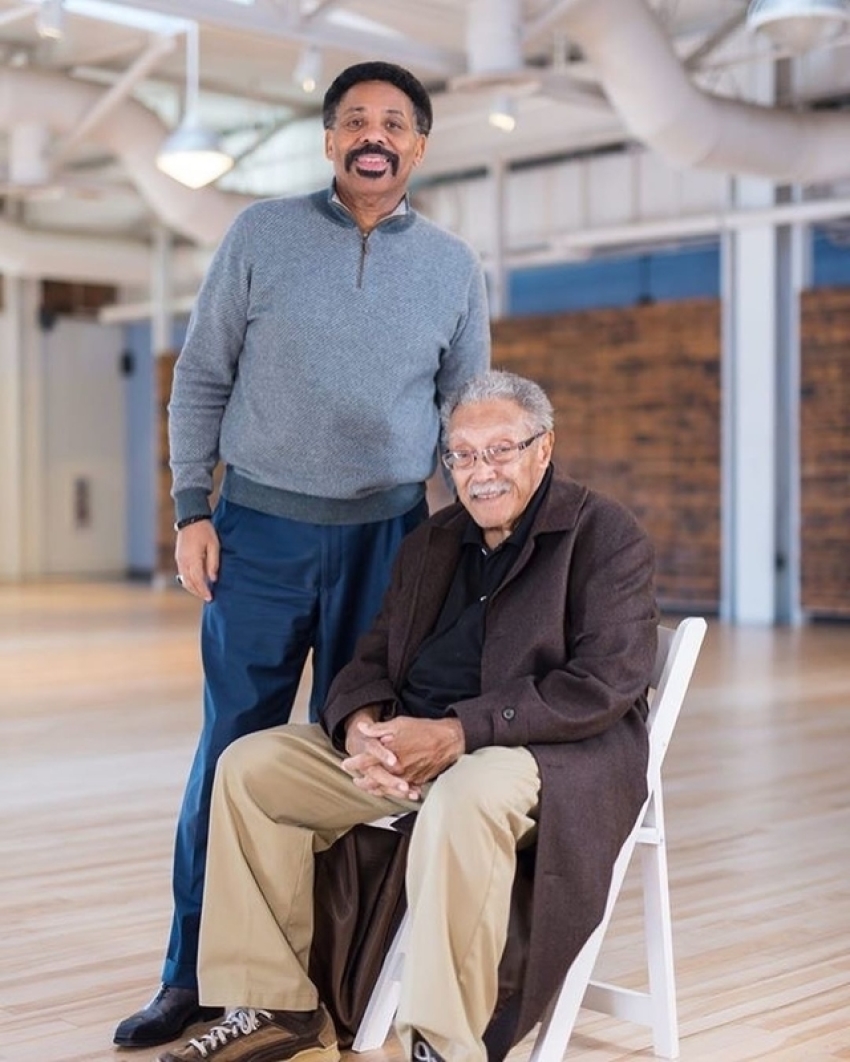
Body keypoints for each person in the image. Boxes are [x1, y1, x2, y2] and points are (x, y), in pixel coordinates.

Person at [114, 61, 490, 1049]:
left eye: (394, 123)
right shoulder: (259, 237)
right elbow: (200, 378)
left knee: (355, 752)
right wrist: (194, 506)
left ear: (417, 146)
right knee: (231, 752)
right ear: (329, 141)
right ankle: (193, 977)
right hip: (262, 537)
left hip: (392, 542)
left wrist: (468, 548)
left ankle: (326, 975)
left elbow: (467, 414)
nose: (374, 135)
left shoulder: (453, 268)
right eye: (355, 119)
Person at [156, 370, 658, 1062]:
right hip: (414, 743)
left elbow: (605, 682)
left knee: (463, 792)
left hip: (542, 755)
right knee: (250, 769)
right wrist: (362, 726)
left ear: (544, 448)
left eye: (501, 450)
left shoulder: (604, 534)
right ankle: (278, 1008)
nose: (481, 473)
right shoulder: (433, 542)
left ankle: (441, 1044)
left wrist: (457, 734)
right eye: (462, 455)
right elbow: (370, 660)